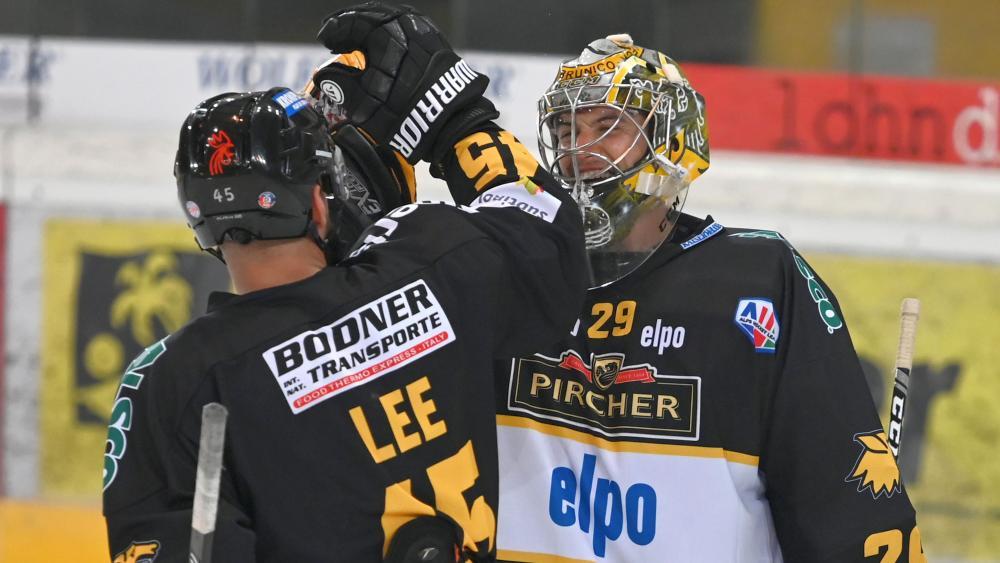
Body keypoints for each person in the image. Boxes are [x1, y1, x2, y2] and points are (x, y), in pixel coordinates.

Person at [101, 5, 587, 562]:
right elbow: (545, 231)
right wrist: (456, 116)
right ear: (318, 200)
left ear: (200, 221)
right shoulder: (434, 263)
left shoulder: (179, 380)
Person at [492, 35, 923, 562]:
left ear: (672, 141)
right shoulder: (511, 273)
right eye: (566, 131)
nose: (580, 152)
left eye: (609, 127)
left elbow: (846, 505)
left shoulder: (759, 280)